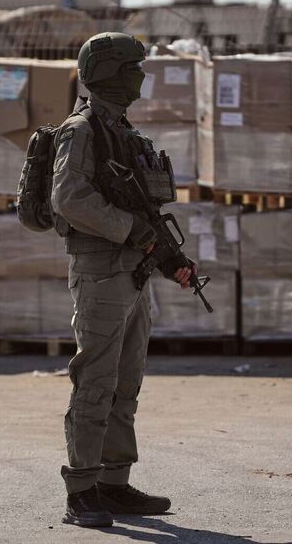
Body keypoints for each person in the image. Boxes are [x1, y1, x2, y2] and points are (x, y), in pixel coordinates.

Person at [51, 32, 195, 528]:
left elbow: (141, 209)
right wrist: (131, 230)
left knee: (125, 384)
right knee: (94, 382)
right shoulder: (83, 130)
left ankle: (113, 484)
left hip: (131, 276)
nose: (141, 76)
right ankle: (81, 489)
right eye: (133, 67)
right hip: (100, 274)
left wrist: (169, 259)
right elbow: (68, 198)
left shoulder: (122, 131)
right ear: (108, 72)